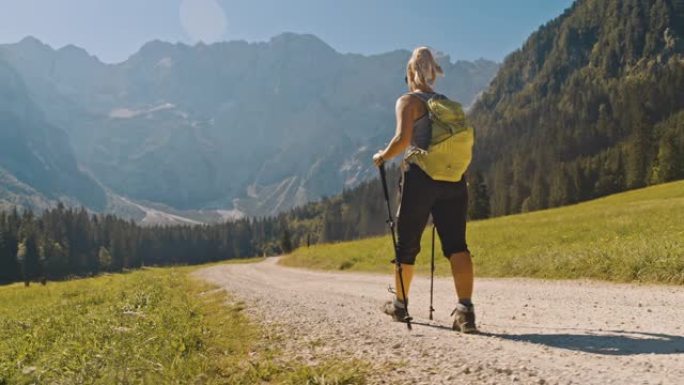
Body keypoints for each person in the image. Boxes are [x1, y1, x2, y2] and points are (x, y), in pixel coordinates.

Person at [372, 47, 476, 333]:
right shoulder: (446, 104)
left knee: (406, 244)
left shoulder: (408, 100)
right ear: (432, 72)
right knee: (457, 245)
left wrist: (382, 156)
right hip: (454, 178)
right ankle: (466, 312)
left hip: (421, 179)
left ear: (409, 74)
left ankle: (400, 305)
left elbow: (402, 139)